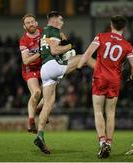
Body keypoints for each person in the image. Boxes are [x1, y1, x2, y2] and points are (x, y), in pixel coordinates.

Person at [33, 11, 95, 154]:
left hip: (45, 69)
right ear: (54, 20)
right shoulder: (53, 29)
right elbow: (54, 50)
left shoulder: (44, 32)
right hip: (52, 65)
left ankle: (40, 135)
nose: (62, 22)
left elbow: (51, 48)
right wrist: (69, 47)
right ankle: (105, 70)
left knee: (48, 104)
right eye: (60, 20)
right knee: (82, 58)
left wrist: (64, 43)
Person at [78, 15, 133, 158]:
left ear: (111, 25)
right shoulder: (127, 45)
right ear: (124, 27)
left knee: (98, 111)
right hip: (114, 80)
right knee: (110, 113)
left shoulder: (101, 36)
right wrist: (132, 78)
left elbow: (87, 54)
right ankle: (109, 144)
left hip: (100, 78)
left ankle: (102, 143)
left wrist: (79, 65)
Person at [19, 14, 43, 134]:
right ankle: (31, 120)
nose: (31, 24)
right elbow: (26, 61)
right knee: (37, 92)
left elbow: (59, 35)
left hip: (44, 67)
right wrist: (41, 52)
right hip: (30, 69)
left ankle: (38, 108)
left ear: (36, 23)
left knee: (50, 94)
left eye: (32, 21)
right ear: (24, 26)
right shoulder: (23, 41)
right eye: (28, 23)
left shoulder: (44, 33)